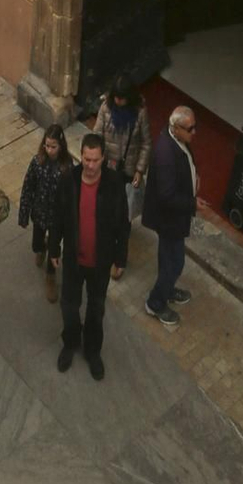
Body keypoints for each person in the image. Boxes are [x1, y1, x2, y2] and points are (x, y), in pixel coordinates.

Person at [54, 129, 128, 380]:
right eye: (86, 159)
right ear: (81, 156)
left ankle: (92, 351)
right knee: (69, 306)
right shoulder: (69, 180)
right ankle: (71, 343)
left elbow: (122, 224)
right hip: (74, 260)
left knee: (96, 310)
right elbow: (59, 217)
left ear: (103, 158)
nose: (91, 165)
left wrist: (120, 259)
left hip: (100, 262)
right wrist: (54, 247)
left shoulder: (114, 184)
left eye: (95, 160)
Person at [142, 105, 198, 327]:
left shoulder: (177, 141)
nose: (194, 133)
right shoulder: (165, 153)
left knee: (170, 259)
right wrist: (193, 203)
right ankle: (155, 302)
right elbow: (166, 196)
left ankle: (167, 289)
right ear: (176, 128)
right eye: (190, 129)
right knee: (173, 263)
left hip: (174, 218)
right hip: (169, 220)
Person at [92, 76, 152, 281]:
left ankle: (120, 260)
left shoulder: (140, 113)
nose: (118, 102)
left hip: (127, 173)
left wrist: (139, 170)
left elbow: (145, 143)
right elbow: (97, 134)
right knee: (105, 213)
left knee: (124, 220)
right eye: (116, 98)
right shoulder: (105, 108)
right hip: (108, 169)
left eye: (122, 99)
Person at [18, 123, 69, 302]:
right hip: (39, 213)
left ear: (61, 146)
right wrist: (24, 213)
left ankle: (50, 276)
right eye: (47, 145)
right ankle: (41, 248)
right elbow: (28, 187)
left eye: (53, 146)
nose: (49, 150)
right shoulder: (37, 162)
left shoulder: (67, 167)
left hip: (57, 218)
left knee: (54, 249)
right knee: (36, 244)